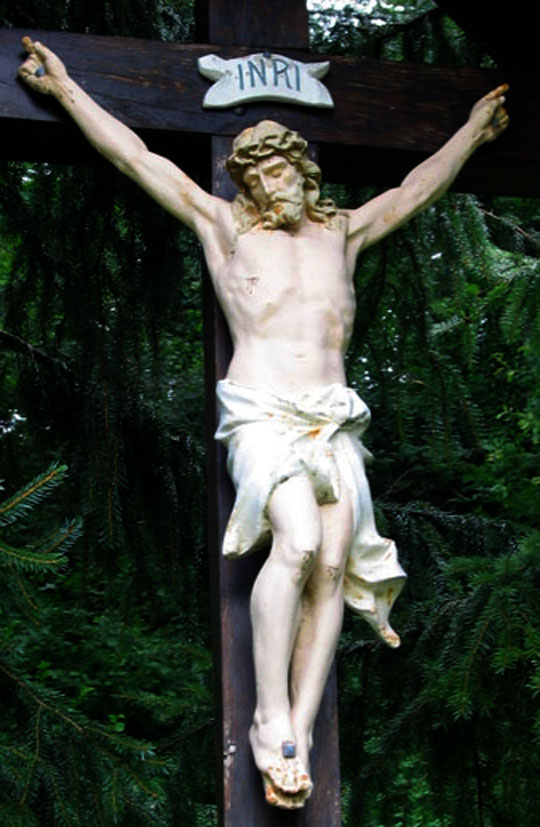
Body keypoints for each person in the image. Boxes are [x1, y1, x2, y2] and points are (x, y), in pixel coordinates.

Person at [18, 37, 509, 810]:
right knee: (300, 540)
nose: (265, 183)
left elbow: (417, 187)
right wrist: (68, 90)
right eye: (252, 175)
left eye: (276, 170)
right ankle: (267, 712)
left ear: (302, 172)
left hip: (333, 419)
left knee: (332, 563)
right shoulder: (225, 228)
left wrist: (473, 131)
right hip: (264, 413)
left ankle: (297, 728)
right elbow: (137, 158)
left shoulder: (341, 231)